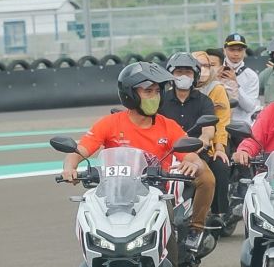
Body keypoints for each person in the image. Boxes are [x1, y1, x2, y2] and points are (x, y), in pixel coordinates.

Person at [60, 61, 215, 252]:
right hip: (114, 196)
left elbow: (191, 156)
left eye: (157, 91)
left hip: (155, 197)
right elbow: (80, 150)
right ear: (130, 95)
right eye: (148, 91)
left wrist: (193, 163)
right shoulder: (109, 124)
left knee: (169, 254)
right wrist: (70, 168)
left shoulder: (168, 125)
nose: (155, 97)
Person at [159, 52, 218, 249]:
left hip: (192, 156)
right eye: (178, 72)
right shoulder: (160, 101)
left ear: (195, 75)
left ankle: (196, 228)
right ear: (170, 75)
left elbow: (208, 131)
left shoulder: (204, 101)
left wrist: (200, 143)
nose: (183, 76)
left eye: (187, 72)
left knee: (207, 180)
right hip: (163, 157)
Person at [191, 50, 232, 223]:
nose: (204, 69)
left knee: (220, 165)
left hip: (213, 141)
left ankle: (219, 213)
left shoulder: (216, 89)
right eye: (200, 66)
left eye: (207, 65)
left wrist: (220, 147)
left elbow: (221, 122)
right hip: (186, 142)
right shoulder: (177, 90)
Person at [221, 33, 260, 125]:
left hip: (242, 126)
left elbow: (249, 107)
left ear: (244, 51)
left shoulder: (251, 76)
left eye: (240, 50)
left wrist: (235, 84)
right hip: (220, 123)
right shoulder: (217, 71)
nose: (236, 54)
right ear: (224, 50)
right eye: (232, 50)